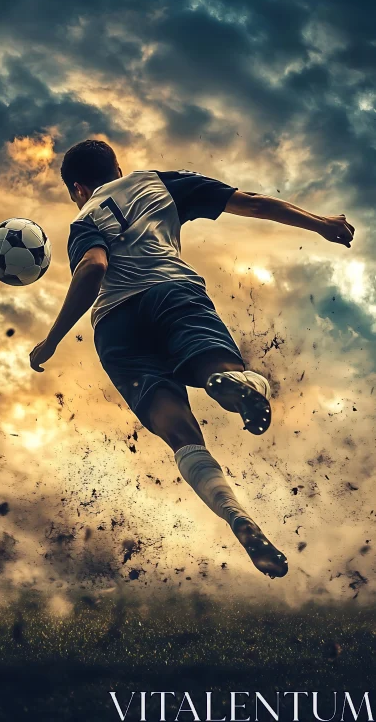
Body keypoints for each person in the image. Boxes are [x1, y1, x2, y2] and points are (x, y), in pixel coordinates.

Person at [30, 139, 354, 579]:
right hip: (170, 292)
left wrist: (51, 341)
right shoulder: (157, 183)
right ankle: (237, 383)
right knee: (220, 369)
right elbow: (252, 202)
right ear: (118, 168)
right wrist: (321, 223)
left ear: (78, 189)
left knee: (182, 437)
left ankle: (234, 513)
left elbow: (93, 267)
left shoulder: (84, 219)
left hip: (115, 329)